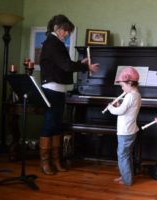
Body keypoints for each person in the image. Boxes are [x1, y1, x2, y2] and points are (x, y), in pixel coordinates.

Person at [39, 14, 99, 175]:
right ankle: (45, 163)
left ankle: (56, 161)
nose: (67, 34)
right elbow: (65, 66)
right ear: (56, 28)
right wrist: (86, 67)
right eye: (65, 31)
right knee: (49, 125)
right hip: (52, 88)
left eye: (68, 32)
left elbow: (63, 65)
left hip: (58, 89)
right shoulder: (52, 43)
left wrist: (80, 64)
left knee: (56, 125)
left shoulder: (55, 43)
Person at [107, 66, 142, 186]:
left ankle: (127, 180)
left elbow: (120, 111)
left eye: (122, 85)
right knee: (126, 155)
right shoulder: (136, 95)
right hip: (130, 131)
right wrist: (119, 105)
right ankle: (125, 176)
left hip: (125, 132)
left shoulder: (130, 96)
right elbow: (126, 109)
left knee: (123, 156)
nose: (122, 88)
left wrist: (111, 107)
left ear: (130, 82)